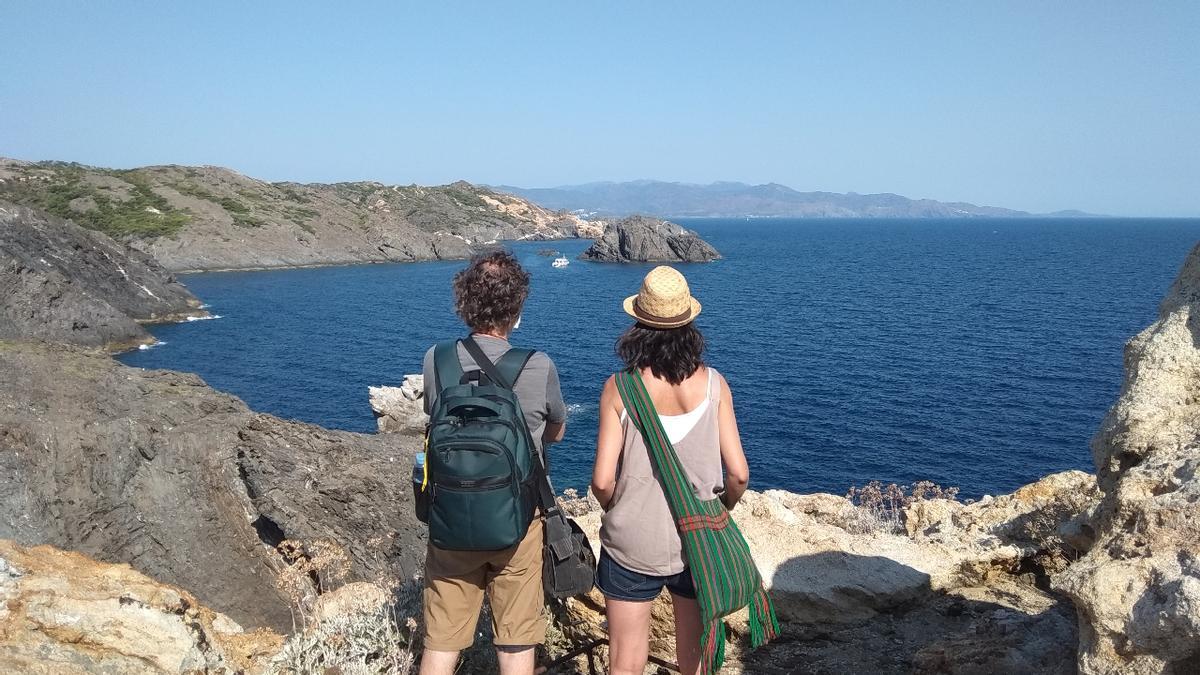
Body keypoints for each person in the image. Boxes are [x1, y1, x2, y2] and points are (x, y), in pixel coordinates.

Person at [590, 266, 750, 675]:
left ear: (638, 326)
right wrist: (720, 510)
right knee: (695, 661)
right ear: (689, 325)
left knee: (625, 662)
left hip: (631, 541)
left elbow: (602, 481)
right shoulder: (715, 385)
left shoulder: (619, 388)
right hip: (697, 539)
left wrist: (618, 508)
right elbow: (738, 474)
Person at [419, 250, 567, 675]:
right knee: (516, 640)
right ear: (516, 308)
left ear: (465, 303)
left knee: (441, 641)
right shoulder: (537, 364)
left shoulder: (436, 358)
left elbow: (434, 418)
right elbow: (555, 431)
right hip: (517, 522)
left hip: (450, 518)